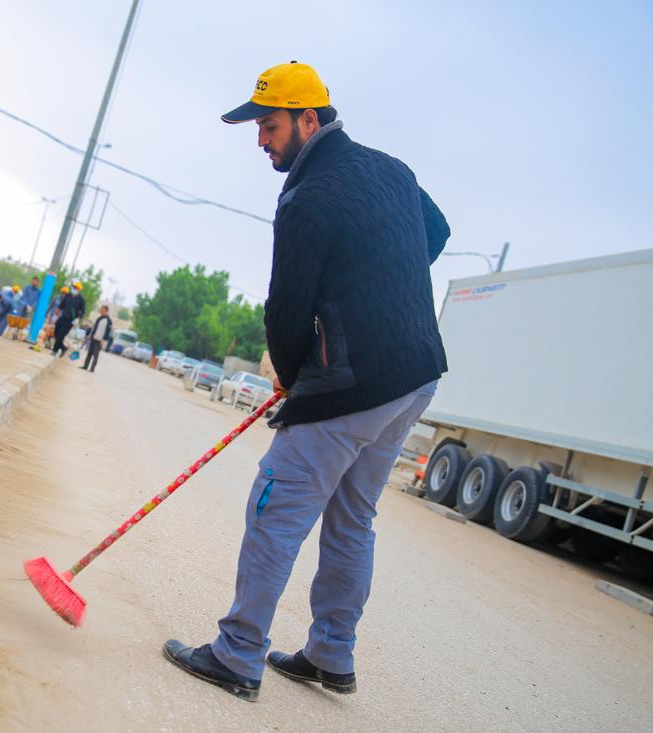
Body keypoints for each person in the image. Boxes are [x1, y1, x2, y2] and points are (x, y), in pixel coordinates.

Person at [162, 61, 450, 702]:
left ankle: (237, 655)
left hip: (357, 382)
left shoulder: (306, 198)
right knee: (354, 518)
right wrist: (380, 279)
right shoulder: (393, 170)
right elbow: (436, 233)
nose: (260, 140)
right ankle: (330, 654)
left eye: (268, 126)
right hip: (417, 375)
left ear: (308, 120)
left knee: (276, 504)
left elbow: (285, 312)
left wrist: (295, 382)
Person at [51, 282, 86, 357]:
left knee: (61, 335)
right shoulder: (68, 295)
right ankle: (63, 348)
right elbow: (62, 304)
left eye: (76, 288)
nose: (74, 289)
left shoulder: (81, 300)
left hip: (70, 320)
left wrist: (78, 319)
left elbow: (82, 311)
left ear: (79, 290)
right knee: (56, 331)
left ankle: (55, 350)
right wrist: (58, 310)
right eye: (73, 287)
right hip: (63, 317)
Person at [80, 305, 112, 373]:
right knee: (89, 353)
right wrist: (90, 335)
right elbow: (94, 328)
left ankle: (92, 368)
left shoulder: (109, 321)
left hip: (100, 340)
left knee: (95, 355)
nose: (101, 311)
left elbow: (107, 332)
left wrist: (103, 340)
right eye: (101, 309)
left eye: (102, 310)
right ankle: (85, 366)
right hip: (93, 338)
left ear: (106, 311)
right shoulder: (99, 318)